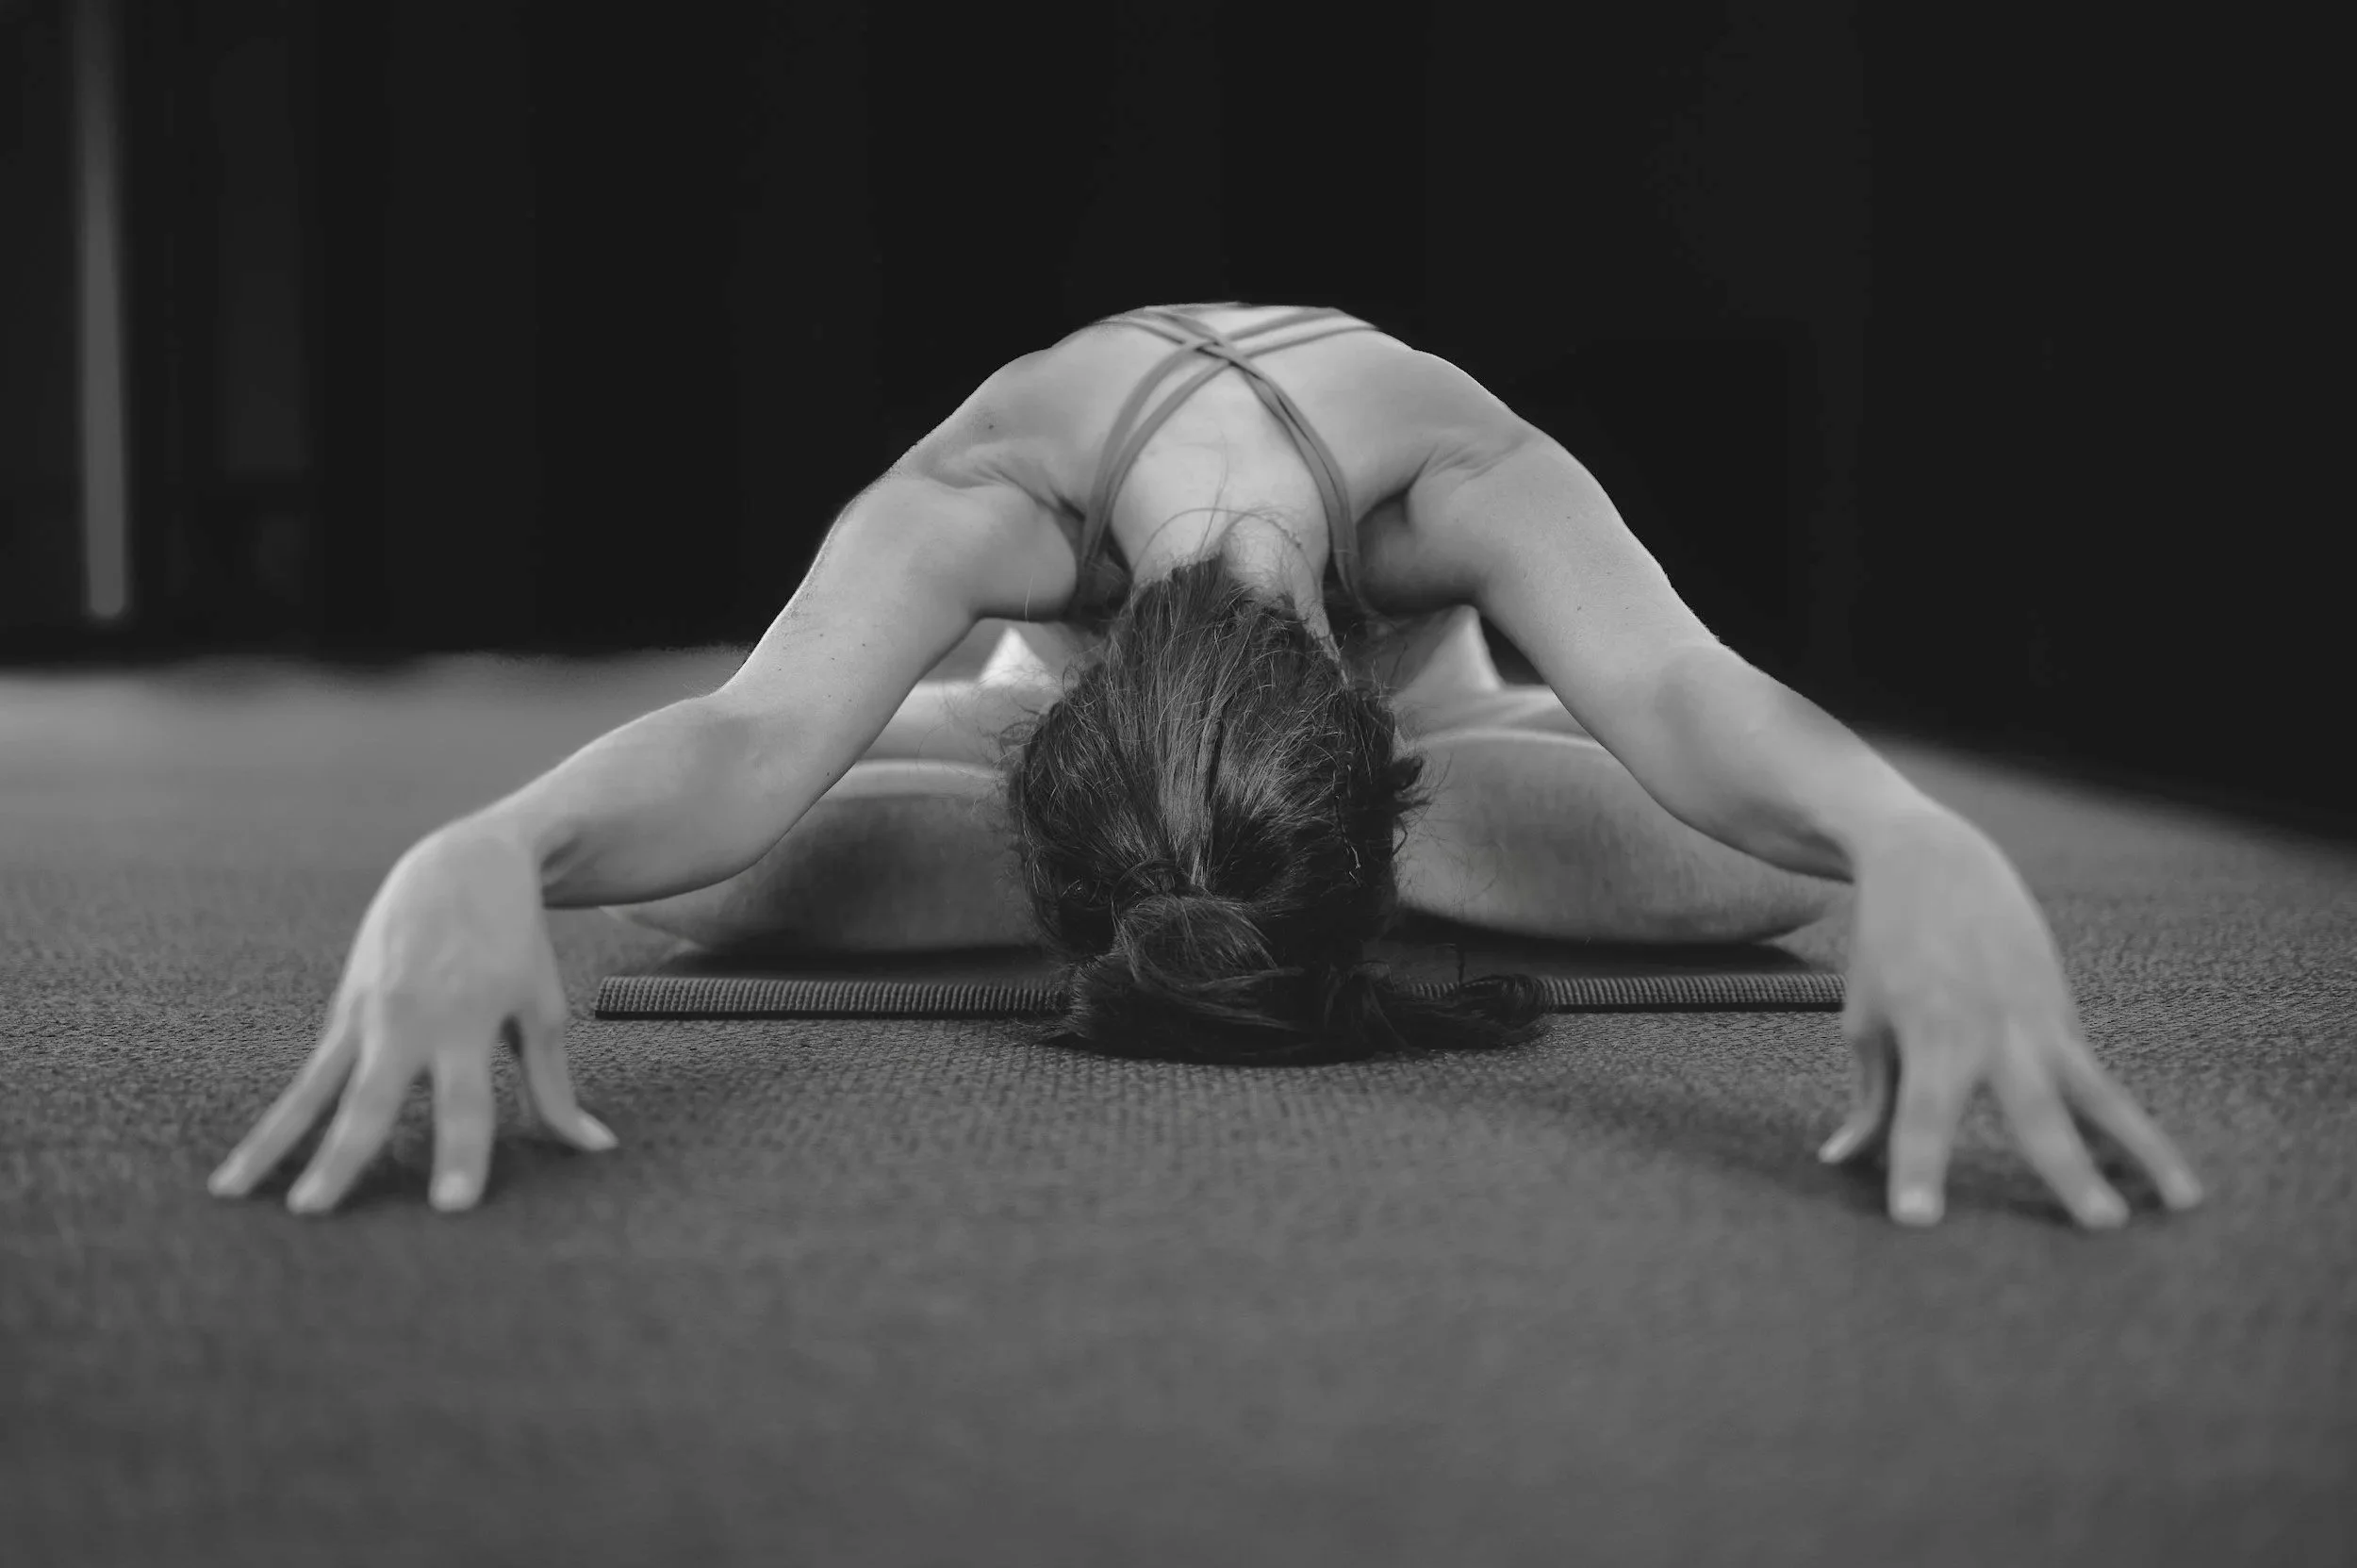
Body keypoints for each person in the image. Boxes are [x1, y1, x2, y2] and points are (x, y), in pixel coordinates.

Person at [207, 301, 2204, 1229]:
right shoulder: (992, 495)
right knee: (711, 865)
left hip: (1428, 739)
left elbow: (1680, 691)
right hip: (1064, 744)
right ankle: (1209, 850)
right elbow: (746, 733)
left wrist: (1905, 835)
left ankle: (1277, 849)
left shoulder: (1451, 471)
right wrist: (487, 844)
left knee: (1774, 864)